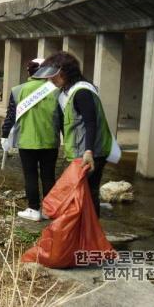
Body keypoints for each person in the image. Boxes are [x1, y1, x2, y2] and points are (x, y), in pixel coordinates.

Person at [33, 51, 117, 218]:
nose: (50, 80)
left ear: (64, 73)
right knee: (81, 192)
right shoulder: (66, 91)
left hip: (92, 151)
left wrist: (89, 151)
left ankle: (89, 231)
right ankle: (84, 229)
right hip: (79, 151)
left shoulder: (82, 92)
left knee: (87, 191)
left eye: (53, 76)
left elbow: (90, 122)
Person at [1, 58, 61, 221]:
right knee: (48, 175)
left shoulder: (17, 90)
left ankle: (34, 209)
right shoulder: (56, 91)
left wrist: (4, 136)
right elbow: (62, 119)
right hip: (50, 141)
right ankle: (50, 210)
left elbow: (10, 117)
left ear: (29, 72)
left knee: (30, 175)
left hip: (27, 141)